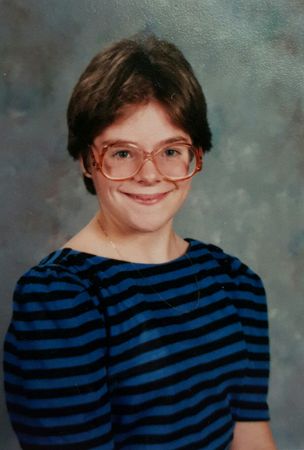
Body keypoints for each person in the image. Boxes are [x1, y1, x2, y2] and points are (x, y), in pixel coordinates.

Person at [4, 34, 277, 449]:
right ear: (85, 160)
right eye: (122, 152)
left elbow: (252, 438)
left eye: (171, 150)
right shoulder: (59, 299)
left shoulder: (235, 283)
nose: (149, 175)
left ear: (197, 155)